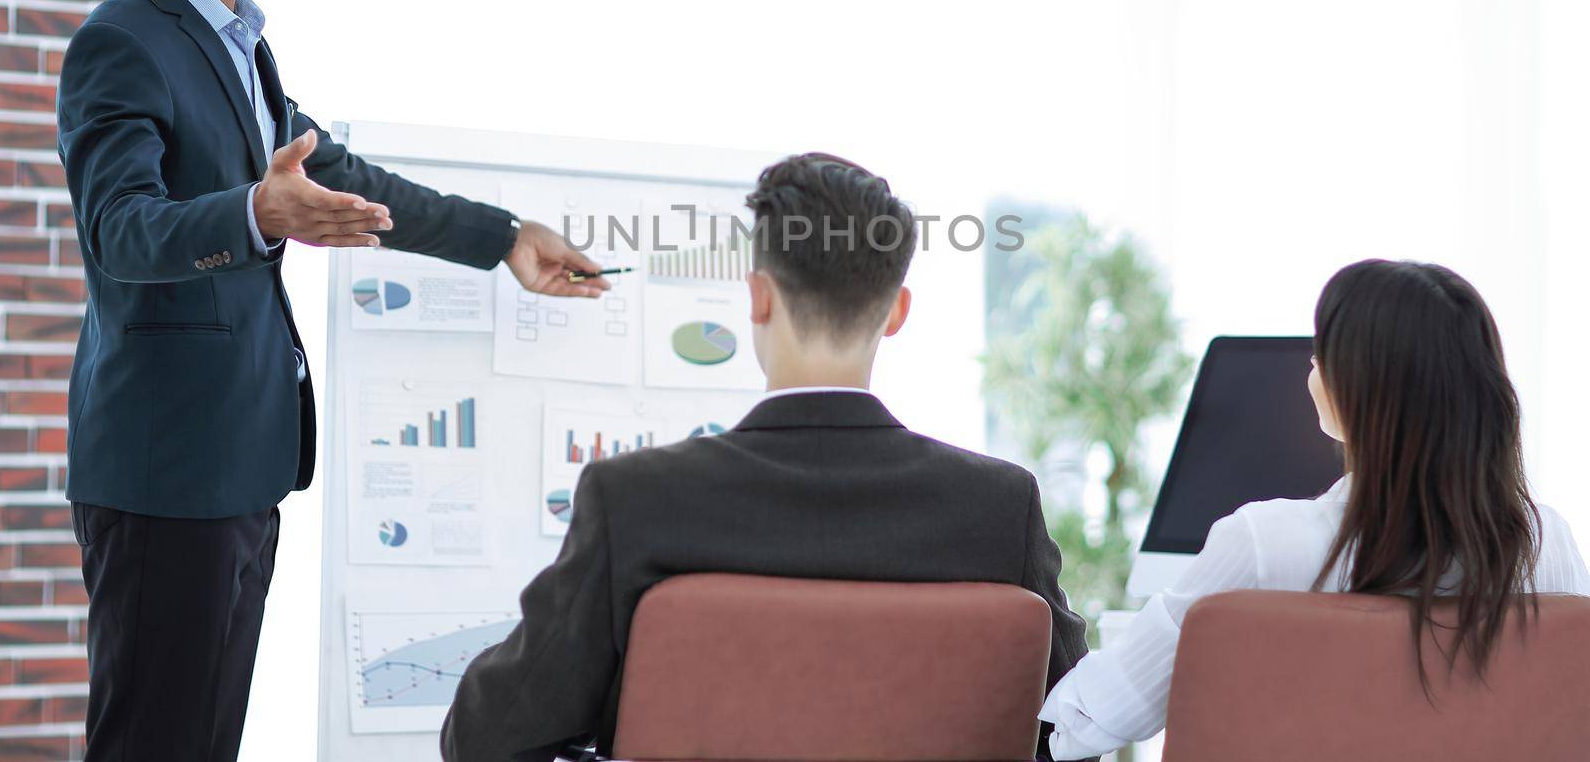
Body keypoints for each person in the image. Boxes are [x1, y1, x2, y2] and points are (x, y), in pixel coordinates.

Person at [56, 0, 610, 762]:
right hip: (165, 466)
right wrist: (256, 210)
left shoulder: (238, 40)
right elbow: (120, 233)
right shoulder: (121, 42)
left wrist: (505, 236)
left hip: (239, 461)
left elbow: (335, 173)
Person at [440, 153, 1091, 762]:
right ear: (896, 311)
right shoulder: (1000, 507)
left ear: (758, 297)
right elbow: (1077, 726)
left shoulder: (638, 500)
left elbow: (485, 737)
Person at [1040, 259, 1590, 758]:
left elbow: (1101, 716)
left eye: (1320, 352)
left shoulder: (1261, 545)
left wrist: (1051, 703)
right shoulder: (1548, 544)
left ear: (1350, 390)